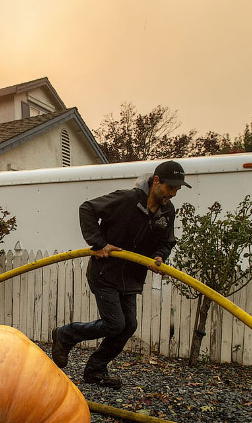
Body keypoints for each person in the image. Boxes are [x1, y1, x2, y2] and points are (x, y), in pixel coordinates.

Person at [50, 160, 190, 389]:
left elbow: (167, 241)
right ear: (156, 181)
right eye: (170, 187)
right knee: (115, 324)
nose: (172, 194)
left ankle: (95, 370)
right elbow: (87, 208)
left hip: (132, 277)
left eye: (176, 190)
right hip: (106, 272)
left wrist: (159, 256)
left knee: (129, 325)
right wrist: (99, 243)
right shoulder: (127, 199)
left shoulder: (167, 211)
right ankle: (66, 334)